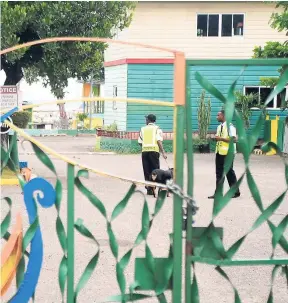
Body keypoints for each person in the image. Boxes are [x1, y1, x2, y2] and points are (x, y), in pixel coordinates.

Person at [208, 110, 241, 199]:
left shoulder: (230, 127)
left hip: (228, 153)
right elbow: (219, 138)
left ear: (224, 116)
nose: (217, 117)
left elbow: (234, 140)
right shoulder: (219, 127)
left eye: (218, 115)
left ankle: (235, 192)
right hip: (219, 152)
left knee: (229, 172)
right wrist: (216, 139)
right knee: (219, 173)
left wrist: (221, 139)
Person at [138, 114, 167, 195]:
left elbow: (140, 142)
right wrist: (163, 152)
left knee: (146, 171)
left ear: (148, 120)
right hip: (154, 152)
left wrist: (145, 147)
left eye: (146, 119)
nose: (145, 120)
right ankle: (157, 187)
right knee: (155, 171)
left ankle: (149, 189)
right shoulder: (157, 129)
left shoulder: (142, 129)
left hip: (145, 153)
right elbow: (159, 141)